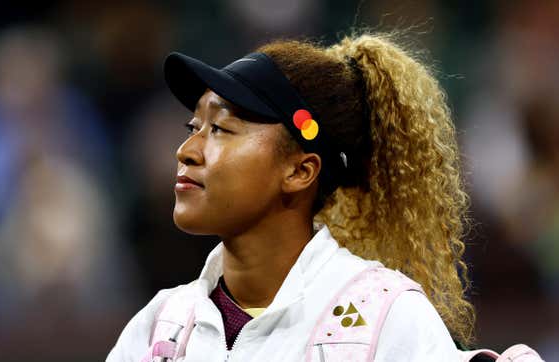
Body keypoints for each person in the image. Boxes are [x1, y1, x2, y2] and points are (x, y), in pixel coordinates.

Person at [106, 33, 511, 361]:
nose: (187, 150)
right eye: (194, 125)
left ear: (300, 171)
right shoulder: (160, 327)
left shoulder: (387, 319)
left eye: (221, 129)